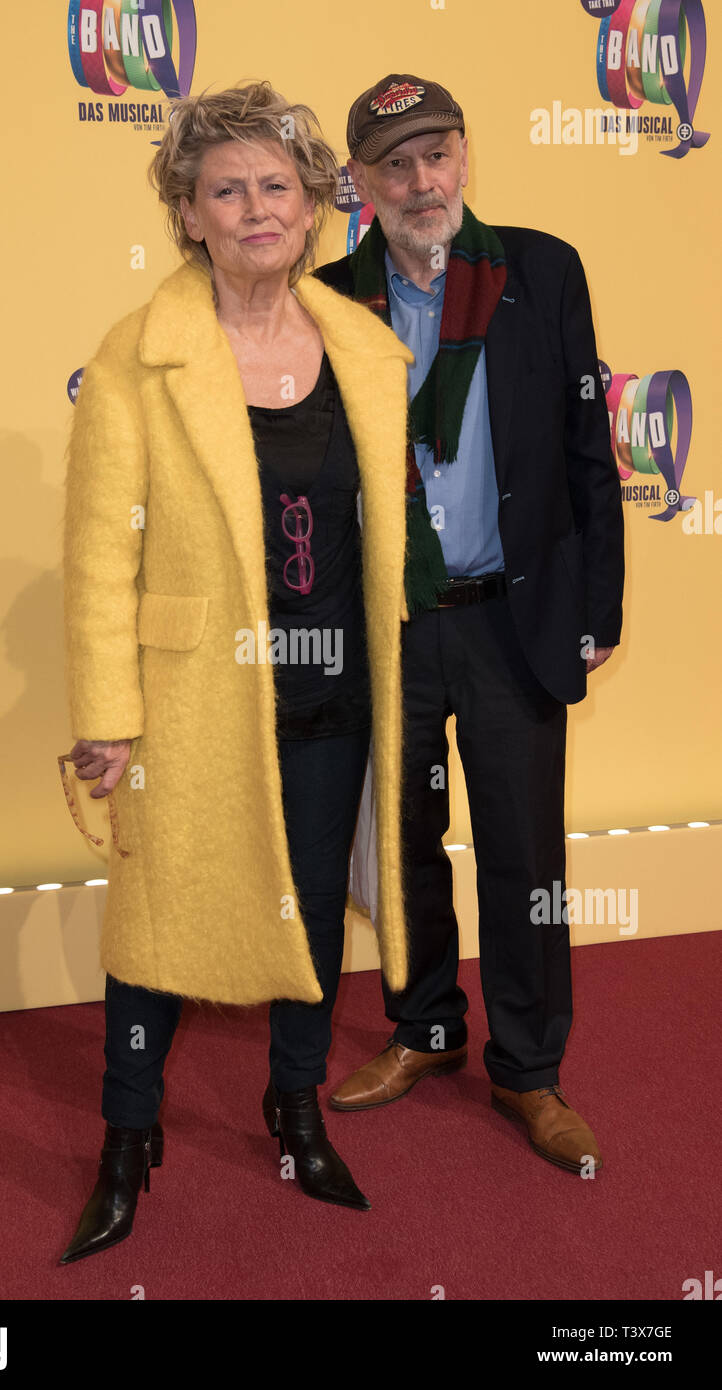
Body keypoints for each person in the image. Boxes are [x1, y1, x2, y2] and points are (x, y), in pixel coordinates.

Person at [59, 81, 414, 1263]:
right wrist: (109, 717)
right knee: (153, 926)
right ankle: (126, 1133)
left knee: (310, 917)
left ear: (313, 203)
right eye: (226, 189)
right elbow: (101, 558)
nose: (256, 207)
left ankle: (295, 1107)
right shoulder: (136, 359)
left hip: (333, 692)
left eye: (276, 184)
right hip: (192, 700)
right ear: (188, 211)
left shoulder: (366, 349)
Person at [315, 74, 624, 1173]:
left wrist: (596, 608)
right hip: (388, 626)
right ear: (359, 183)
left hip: (511, 619)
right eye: (393, 163)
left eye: (435, 153)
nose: (419, 180)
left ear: (463, 158)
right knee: (398, 848)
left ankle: (531, 1072)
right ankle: (427, 1029)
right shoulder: (326, 299)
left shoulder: (538, 270)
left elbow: (589, 452)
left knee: (522, 851)